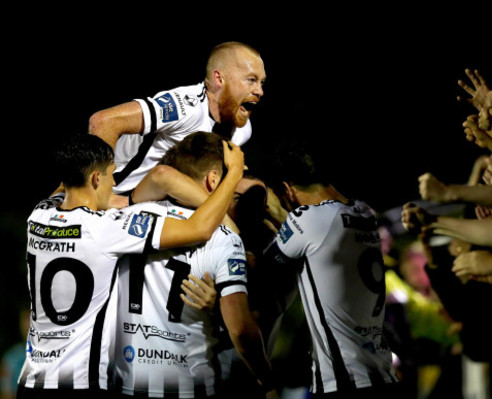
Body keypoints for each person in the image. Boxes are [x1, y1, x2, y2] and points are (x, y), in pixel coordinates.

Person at [17, 133, 244, 399]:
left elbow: (67, 183)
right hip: (79, 384)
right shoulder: (105, 229)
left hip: (30, 381)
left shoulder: (39, 215)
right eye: (112, 175)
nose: (114, 185)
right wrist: (233, 175)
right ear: (95, 179)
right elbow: (200, 228)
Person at [112, 132, 275, 398]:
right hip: (192, 386)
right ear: (213, 180)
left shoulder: (127, 218)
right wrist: (266, 377)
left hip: (124, 382)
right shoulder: (225, 238)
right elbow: (241, 330)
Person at [261, 139, 400, 398]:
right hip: (381, 374)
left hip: (345, 381)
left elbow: (263, 272)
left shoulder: (307, 220)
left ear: (286, 190)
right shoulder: (364, 213)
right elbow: (318, 239)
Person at [89, 41, 266, 197]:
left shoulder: (242, 130)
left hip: (159, 202)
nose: (260, 91)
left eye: (261, 82)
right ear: (219, 79)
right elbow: (104, 122)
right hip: (119, 197)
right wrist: (99, 195)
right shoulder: (184, 107)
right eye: (251, 80)